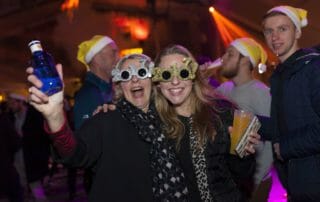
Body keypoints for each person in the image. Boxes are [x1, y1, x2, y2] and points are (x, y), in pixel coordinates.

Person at [26, 54, 189, 202]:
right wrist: (55, 118)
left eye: (141, 73)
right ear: (119, 86)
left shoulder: (172, 121)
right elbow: (76, 153)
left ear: (153, 81)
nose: (134, 80)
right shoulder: (105, 121)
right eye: (126, 75)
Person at [152, 44, 260, 202]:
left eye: (183, 73)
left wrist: (243, 154)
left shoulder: (220, 115)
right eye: (167, 75)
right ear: (158, 82)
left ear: (193, 77)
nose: (175, 81)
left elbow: (242, 176)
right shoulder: (152, 123)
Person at [262, 5, 320, 201]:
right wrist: (249, 124)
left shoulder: (313, 69)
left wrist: (285, 147)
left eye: (282, 29)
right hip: (297, 182)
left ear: (297, 32)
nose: (275, 37)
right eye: (269, 31)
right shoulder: (281, 74)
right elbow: (285, 125)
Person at [215, 38, 273, 201]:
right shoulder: (224, 89)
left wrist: (253, 181)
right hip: (232, 180)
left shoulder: (262, 93)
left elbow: (269, 145)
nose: (223, 58)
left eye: (230, 54)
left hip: (253, 183)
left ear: (245, 60)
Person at [74, 35, 119, 193]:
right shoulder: (88, 94)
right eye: (113, 52)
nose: (118, 57)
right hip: (104, 181)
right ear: (97, 58)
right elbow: (84, 146)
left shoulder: (110, 88)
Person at [7, 93, 50, 202]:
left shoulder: (34, 115)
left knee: (36, 187)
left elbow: (42, 138)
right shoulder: (10, 117)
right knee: (20, 187)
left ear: (20, 102)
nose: (10, 106)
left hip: (31, 158)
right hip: (17, 158)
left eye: (13, 103)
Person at [0, 101, 24, 202]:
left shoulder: (29, 116)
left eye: (13, 103)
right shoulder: (5, 120)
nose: (11, 106)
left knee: (34, 183)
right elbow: (15, 142)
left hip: (27, 158)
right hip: (8, 164)